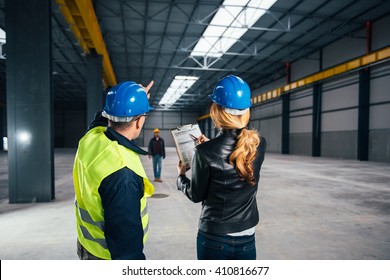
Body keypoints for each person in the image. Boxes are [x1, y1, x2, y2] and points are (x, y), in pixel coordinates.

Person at [177, 75, 267, 260]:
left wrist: (181, 177)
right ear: (246, 110)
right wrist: (211, 146)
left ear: (217, 112)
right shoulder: (259, 144)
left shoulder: (205, 152)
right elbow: (233, 155)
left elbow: (196, 195)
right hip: (247, 236)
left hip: (214, 237)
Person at [73, 80, 155, 260]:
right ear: (139, 121)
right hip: (106, 256)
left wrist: (132, 98)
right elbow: (127, 249)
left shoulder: (91, 138)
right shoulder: (123, 172)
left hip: (87, 245)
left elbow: (99, 120)